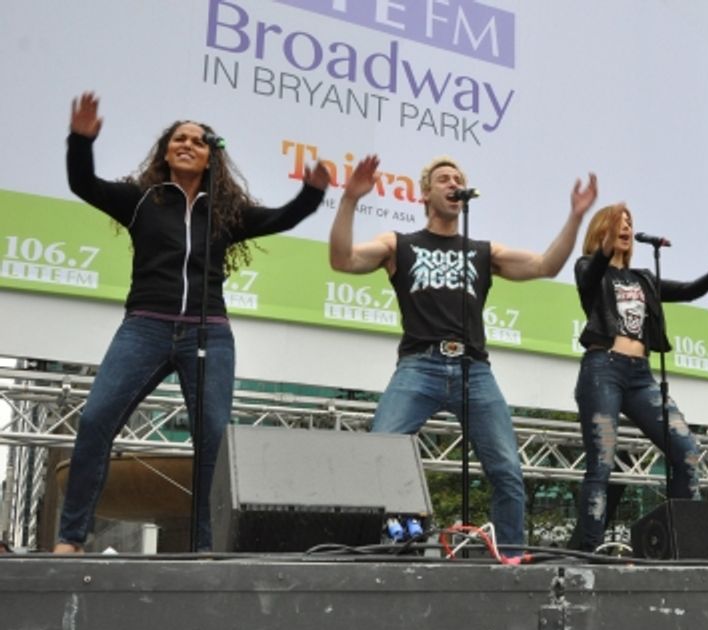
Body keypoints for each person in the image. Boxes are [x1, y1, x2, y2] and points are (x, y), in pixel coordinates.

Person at [55, 92, 330, 553]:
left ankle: (206, 547)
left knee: (213, 443)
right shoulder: (141, 199)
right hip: (146, 326)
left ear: (210, 157)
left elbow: (285, 216)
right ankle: (71, 536)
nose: (188, 144)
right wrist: (80, 142)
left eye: (199, 141)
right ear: (165, 151)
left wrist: (313, 191)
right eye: (179, 138)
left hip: (209, 333)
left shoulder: (223, 212)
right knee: (97, 419)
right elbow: (83, 183)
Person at [330, 154, 597, 556]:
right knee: (379, 455)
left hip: (474, 369)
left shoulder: (482, 251)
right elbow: (342, 259)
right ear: (425, 194)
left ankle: (508, 555)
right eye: (443, 178)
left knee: (507, 470)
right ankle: (381, 551)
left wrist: (576, 217)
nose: (452, 183)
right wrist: (350, 199)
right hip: (419, 365)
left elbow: (545, 265)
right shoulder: (398, 244)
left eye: (457, 178)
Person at [569, 203, 708, 552]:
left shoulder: (644, 278)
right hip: (603, 370)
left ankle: (680, 545)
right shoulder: (588, 269)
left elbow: (690, 290)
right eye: (617, 223)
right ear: (601, 231)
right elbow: (594, 268)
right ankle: (589, 551)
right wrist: (606, 245)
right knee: (602, 462)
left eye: (629, 223)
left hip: (641, 376)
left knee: (686, 451)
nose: (626, 227)